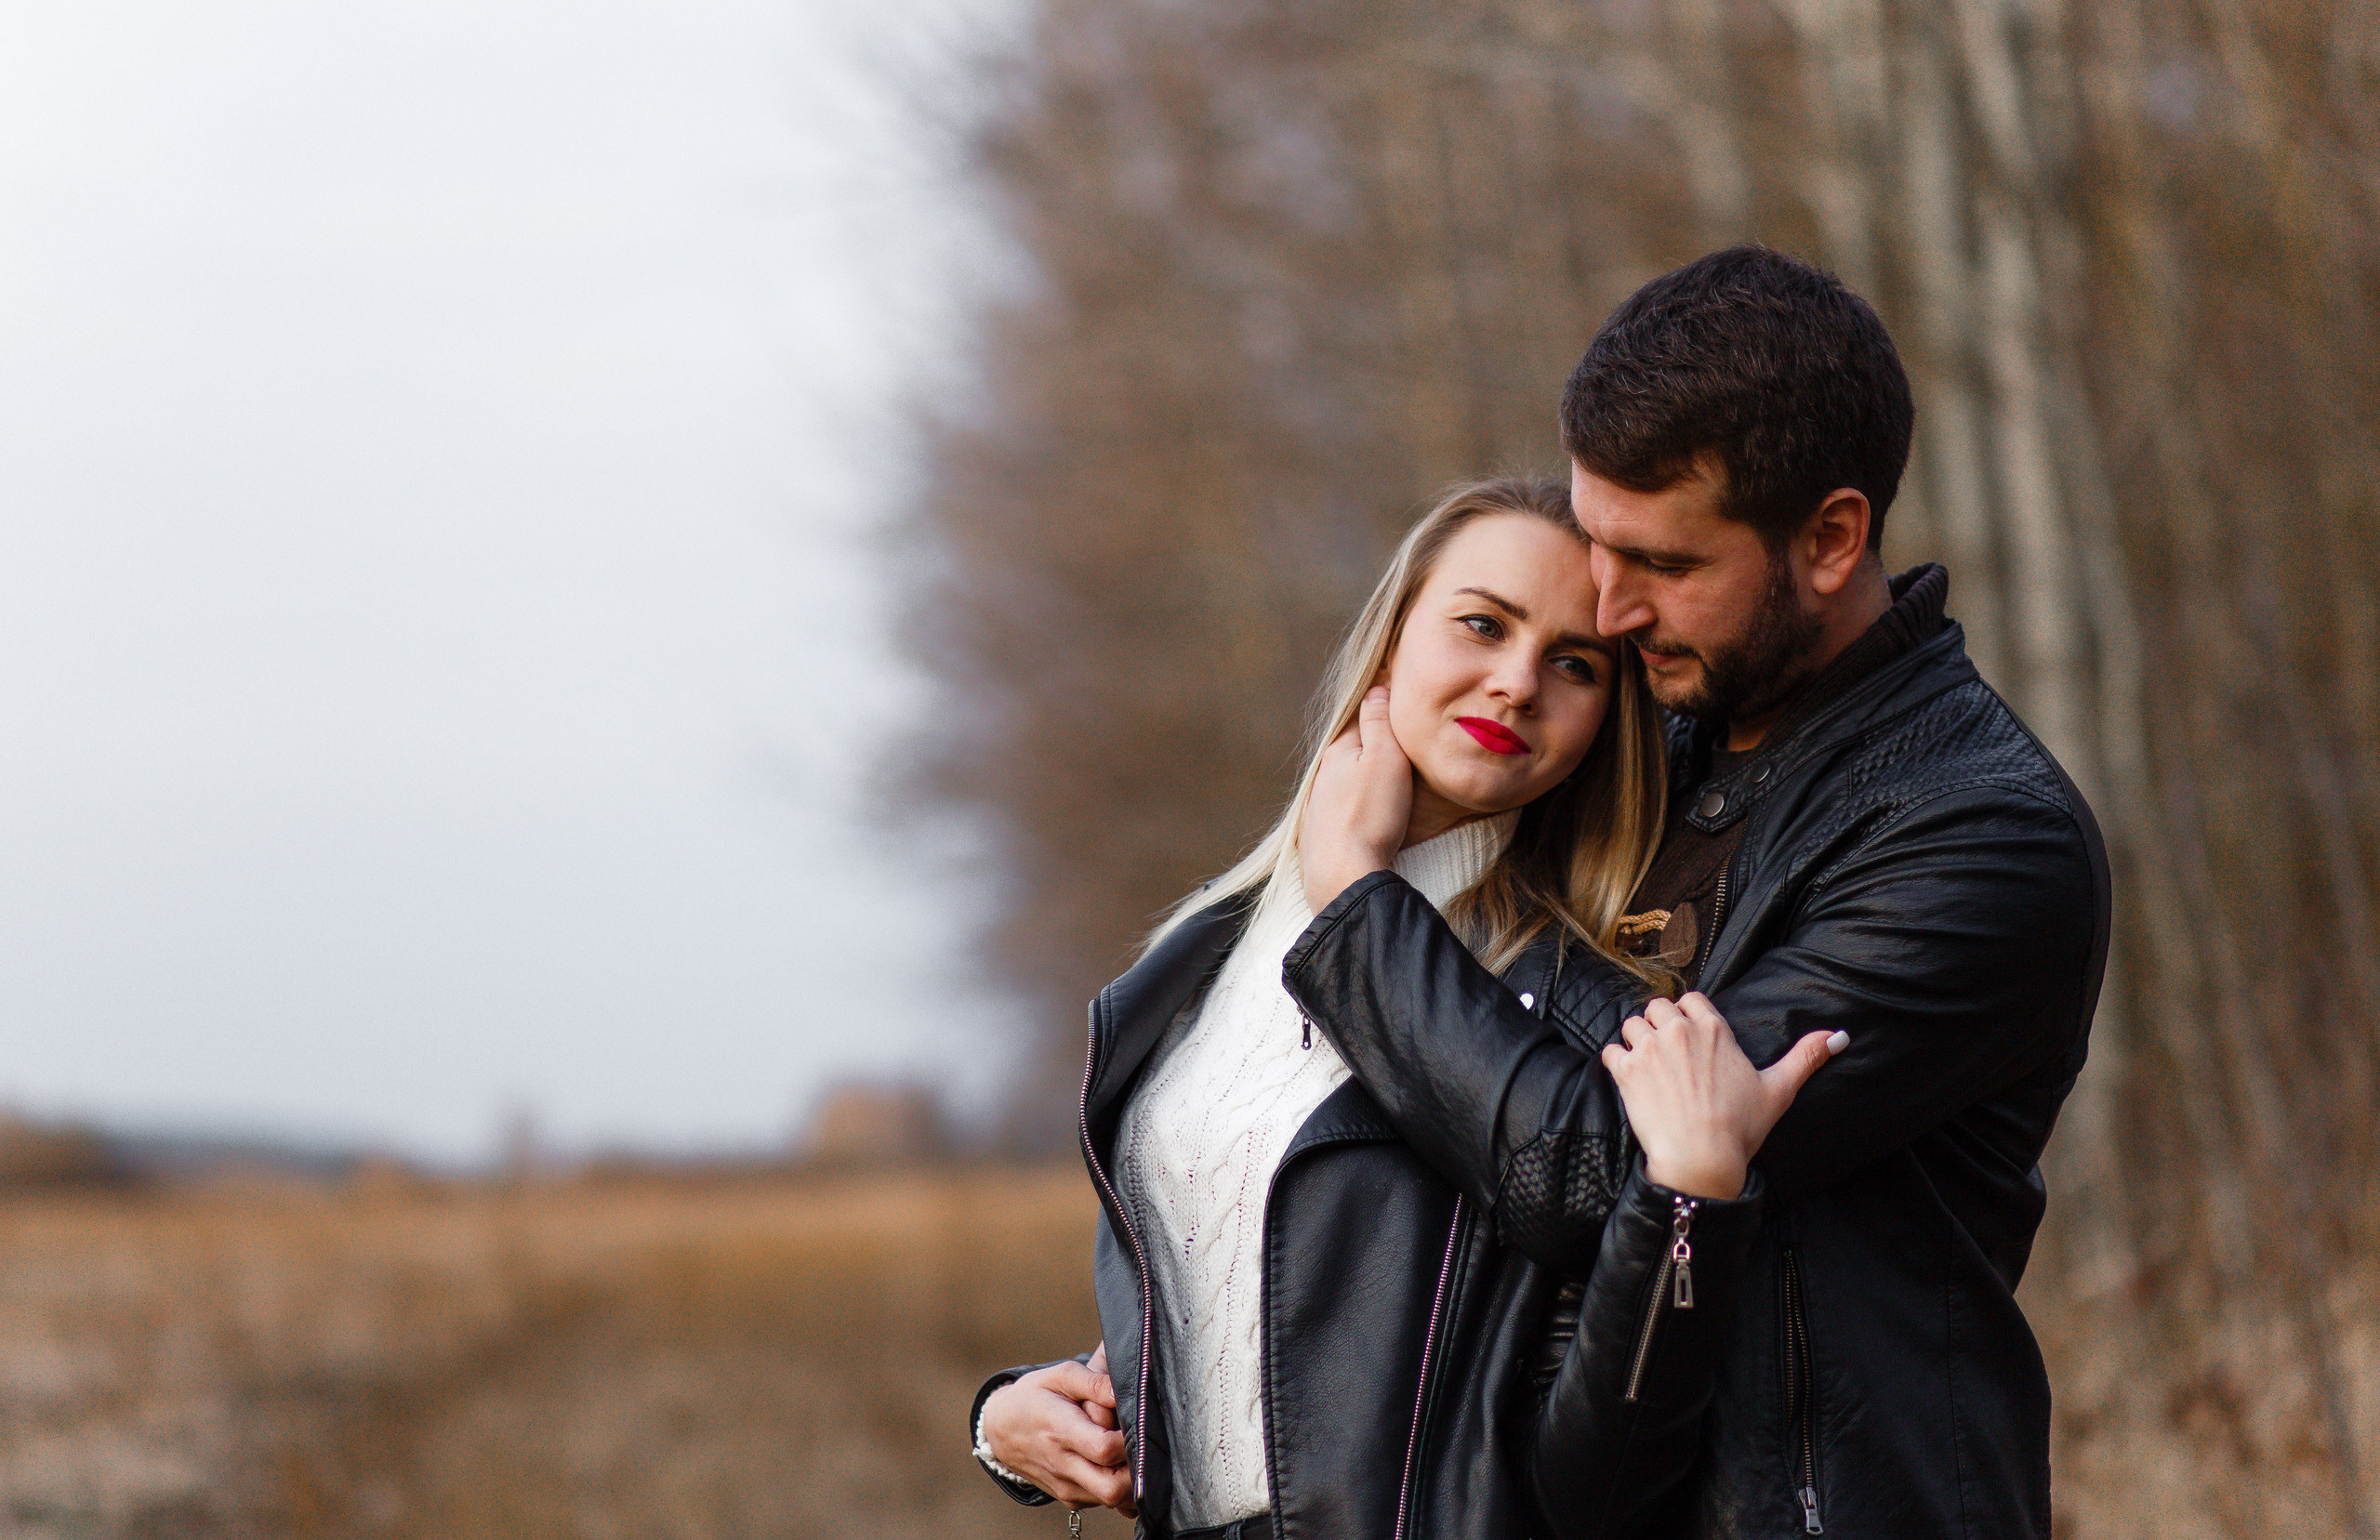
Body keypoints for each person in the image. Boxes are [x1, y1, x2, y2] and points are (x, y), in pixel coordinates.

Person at [1288, 246, 2111, 1538]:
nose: (1608, 610)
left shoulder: (1980, 840)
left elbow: (1590, 1172)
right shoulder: (1632, 743)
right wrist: (1117, 1384)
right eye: (1595, 543)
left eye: (1662, 562)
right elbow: (1404, 1133)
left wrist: (1353, 905)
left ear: (1832, 538)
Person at [968, 477, 1844, 1539]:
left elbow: (1604, 1459)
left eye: (1575, 664)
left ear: (1605, 721)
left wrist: (1691, 1198)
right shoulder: (1205, 947)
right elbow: (1256, 1294)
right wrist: (1015, 1417)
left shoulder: (1585, 1015)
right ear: (1392, 642)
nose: (1516, 682)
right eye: (1482, 623)